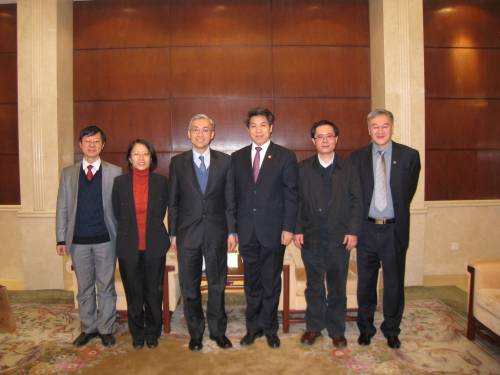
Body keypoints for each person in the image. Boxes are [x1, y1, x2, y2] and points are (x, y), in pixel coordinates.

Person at [349, 109, 421, 350]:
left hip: (394, 230)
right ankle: (366, 329)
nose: (380, 131)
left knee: (393, 284)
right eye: (375, 126)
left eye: (385, 126)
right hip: (367, 230)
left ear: (393, 127)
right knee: (366, 283)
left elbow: (406, 193)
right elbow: (354, 196)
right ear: (368, 129)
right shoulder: (356, 157)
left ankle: (391, 330)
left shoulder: (410, 156)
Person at [168, 114, 237, 351]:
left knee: (217, 285)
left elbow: (230, 200)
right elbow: (173, 201)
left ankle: (218, 332)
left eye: (205, 130)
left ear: (212, 134)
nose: (200, 134)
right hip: (187, 235)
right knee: (190, 287)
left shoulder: (225, 162)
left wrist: (232, 232)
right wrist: (172, 235)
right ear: (188, 134)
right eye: (195, 130)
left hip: (217, 233)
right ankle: (195, 333)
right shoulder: (178, 162)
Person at [232, 107, 299, 349]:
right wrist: (233, 230)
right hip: (247, 231)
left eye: (263, 125)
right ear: (248, 129)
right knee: (251, 283)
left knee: (271, 282)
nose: (258, 129)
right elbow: (233, 197)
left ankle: (270, 328)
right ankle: (254, 328)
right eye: (253, 125)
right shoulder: (237, 157)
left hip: (274, 231)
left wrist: (288, 227)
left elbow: (292, 195)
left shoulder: (285, 156)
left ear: (271, 128)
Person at [293, 120, 362, 348]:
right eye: (320, 136)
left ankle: (336, 330)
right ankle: (313, 328)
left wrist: (353, 231)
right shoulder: (303, 168)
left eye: (329, 136)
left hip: (339, 240)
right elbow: (297, 202)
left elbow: (356, 201)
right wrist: (298, 229)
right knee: (313, 287)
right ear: (313, 141)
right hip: (311, 239)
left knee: (337, 288)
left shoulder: (348, 167)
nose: (325, 140)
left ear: (336, 139)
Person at [56, 126, 123, 348]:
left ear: (103, 145)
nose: (92, 145)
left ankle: (105, 329)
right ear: (80, 144)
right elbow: (62, 209)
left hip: (106, 239)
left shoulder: (115, 172)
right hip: (78, 241)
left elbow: (120, 208)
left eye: (96, 141)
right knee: (84, 288)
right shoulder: (68, 173)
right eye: (87, 141)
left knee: (106, 287)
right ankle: (88, 328)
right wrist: (60, 239)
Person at [112, 139, 170, 350]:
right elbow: (117, 213)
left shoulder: (160, 181)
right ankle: (137, 333)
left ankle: (153, 332)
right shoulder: (120, 183)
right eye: (136, 154)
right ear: (129, 158)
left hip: (154, 245)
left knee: (153, 292)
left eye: (145, 154)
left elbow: (162, 209)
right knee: (134, 292)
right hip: (128, 246)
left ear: (152, 157)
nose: (141, 158)